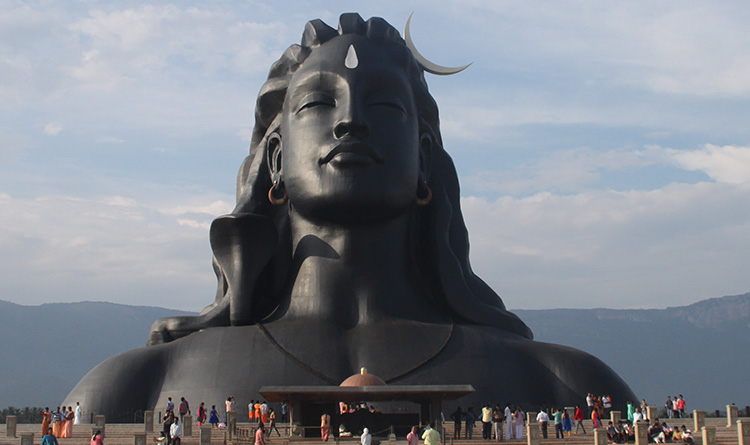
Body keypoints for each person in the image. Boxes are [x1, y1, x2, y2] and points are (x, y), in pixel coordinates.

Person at [62, 13, 636, 419]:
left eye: (384, 103)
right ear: (277, 158)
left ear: (425, 159)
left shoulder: (563, 384)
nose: (350, 121)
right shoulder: (135, 384)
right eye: (318, 101)